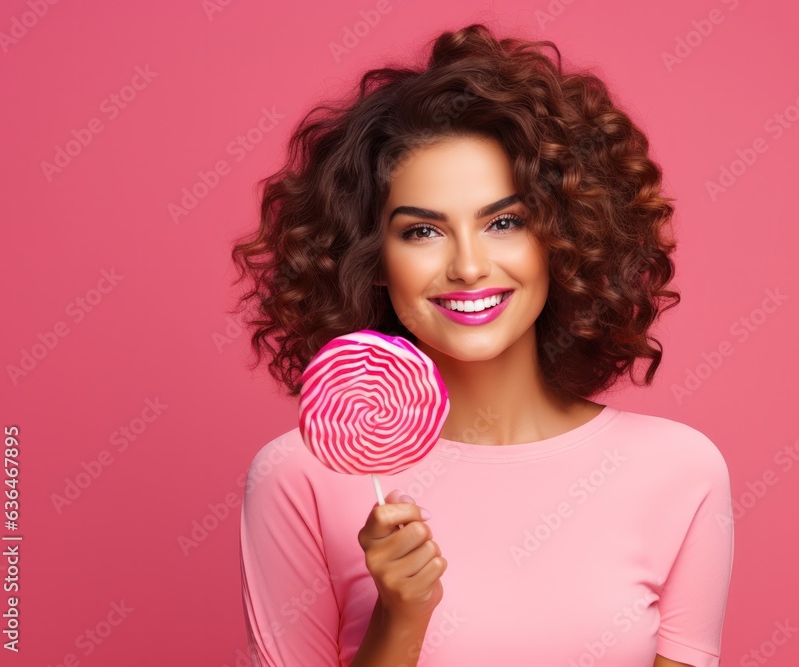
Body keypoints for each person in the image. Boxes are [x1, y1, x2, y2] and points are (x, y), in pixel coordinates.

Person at [230, 22, 733, 667]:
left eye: (503, 222)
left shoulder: (681, 472)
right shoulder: (299, 477)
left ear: (563, 235)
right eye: (422, 232)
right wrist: (400, 621)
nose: (469, 267)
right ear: (372, 257)